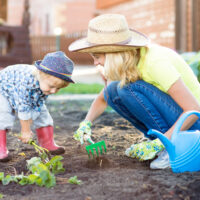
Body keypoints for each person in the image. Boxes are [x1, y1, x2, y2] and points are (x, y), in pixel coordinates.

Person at [68, 14, 200, 169]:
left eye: (97, 57)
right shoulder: (132, 61)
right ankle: (156, 141)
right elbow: (104, 98)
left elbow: (193, 109)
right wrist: (86, 123)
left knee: (126, 88)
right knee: (112, 90)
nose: (95, 62)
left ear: (114, 54)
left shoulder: (155, 62)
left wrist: (161, 143)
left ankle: (170, 147)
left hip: (194, 127)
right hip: (180, 122)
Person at [0, 51, 74, 161]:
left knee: (43, 114)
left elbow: (37, 106)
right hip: (4, 88)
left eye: (58, 88)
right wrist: (25, 130)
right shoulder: (26, 83)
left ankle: (47, 143)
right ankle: (1, 148)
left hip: (22, 90)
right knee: (3, 116)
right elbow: (23, 108)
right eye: (52, 86)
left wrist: (30, 122)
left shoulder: (44, 85)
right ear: (40, 75)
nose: (54, 91)